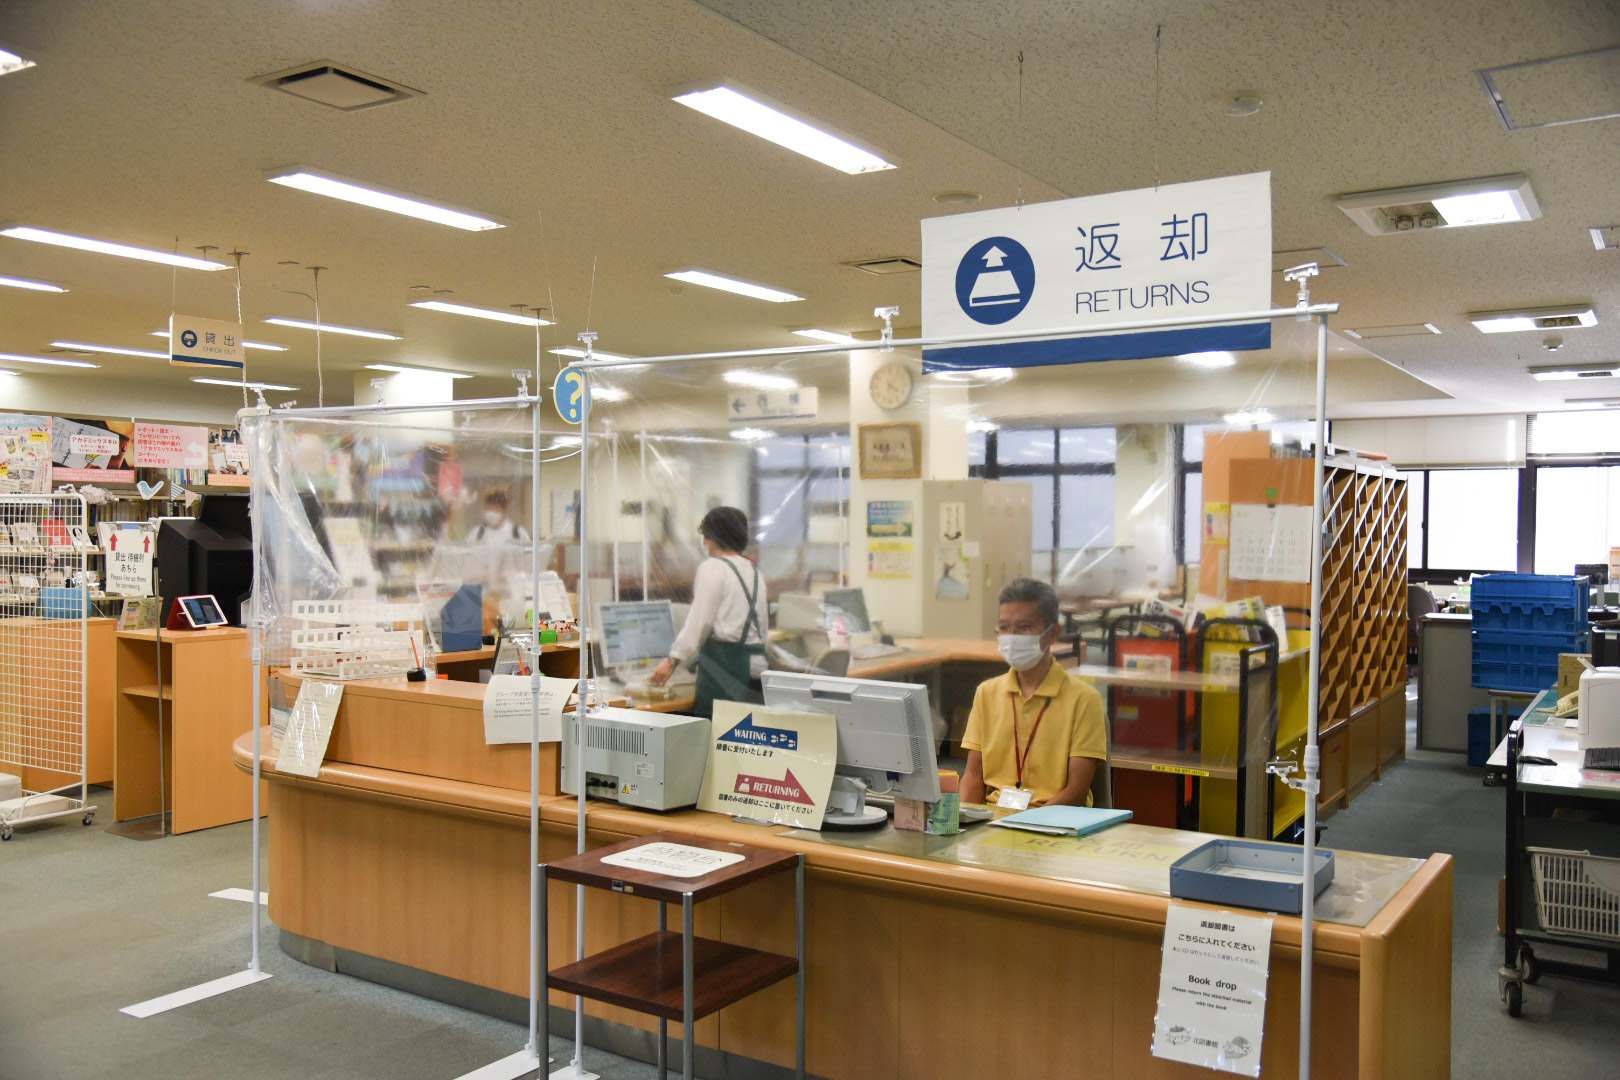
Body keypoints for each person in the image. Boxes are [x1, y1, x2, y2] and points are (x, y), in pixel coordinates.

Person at [960, 577, 1108, 808]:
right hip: (990, 822)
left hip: (1052, 823)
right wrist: (964, 821)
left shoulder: (1083, 699)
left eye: (1024, 627)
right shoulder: (987, 693)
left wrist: (1025, 824)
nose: (1012, 636)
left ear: (1052, 633)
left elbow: (1076, 791)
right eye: (1004, 628)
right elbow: (973, 776)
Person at [649, 506, 769, 718]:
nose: (704, 542)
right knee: (744, 741)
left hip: (726, 672)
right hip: (758, 673)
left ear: (713, 537)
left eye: (706, 536)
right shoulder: (754, 571)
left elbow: (700, 622)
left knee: (716, 739)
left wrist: (672, 660)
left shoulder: (713, 568)